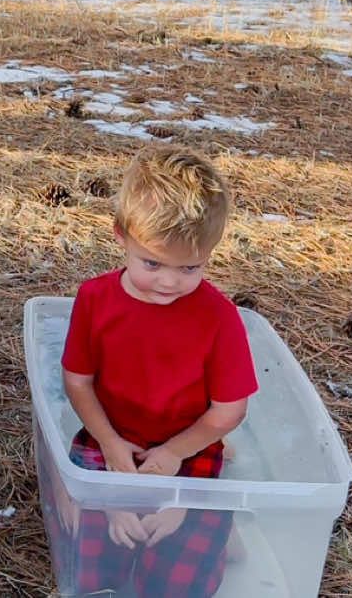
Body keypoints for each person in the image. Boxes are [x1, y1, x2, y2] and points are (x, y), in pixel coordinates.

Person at [58, 146, 258, 598]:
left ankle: (220, 539)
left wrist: (179, 479)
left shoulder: (220, 317)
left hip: (191, 444)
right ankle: (117, 529)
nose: (169, 282)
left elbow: (227, 411)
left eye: (190, 268)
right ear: (122, 236)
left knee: (177, 579)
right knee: (89, 569)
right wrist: (112, 473)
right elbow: (78, 381)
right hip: (107, 433)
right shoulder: (95, 299)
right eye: (152, 263)